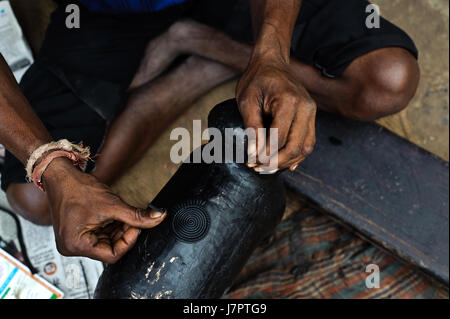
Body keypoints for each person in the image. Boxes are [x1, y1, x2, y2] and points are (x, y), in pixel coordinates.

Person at [0, 0, 419, 263]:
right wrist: (52, 166)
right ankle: (197, 62)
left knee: (387, 80)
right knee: (36, 199)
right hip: (100, 13)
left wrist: (271, 54)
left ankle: (212, 48)